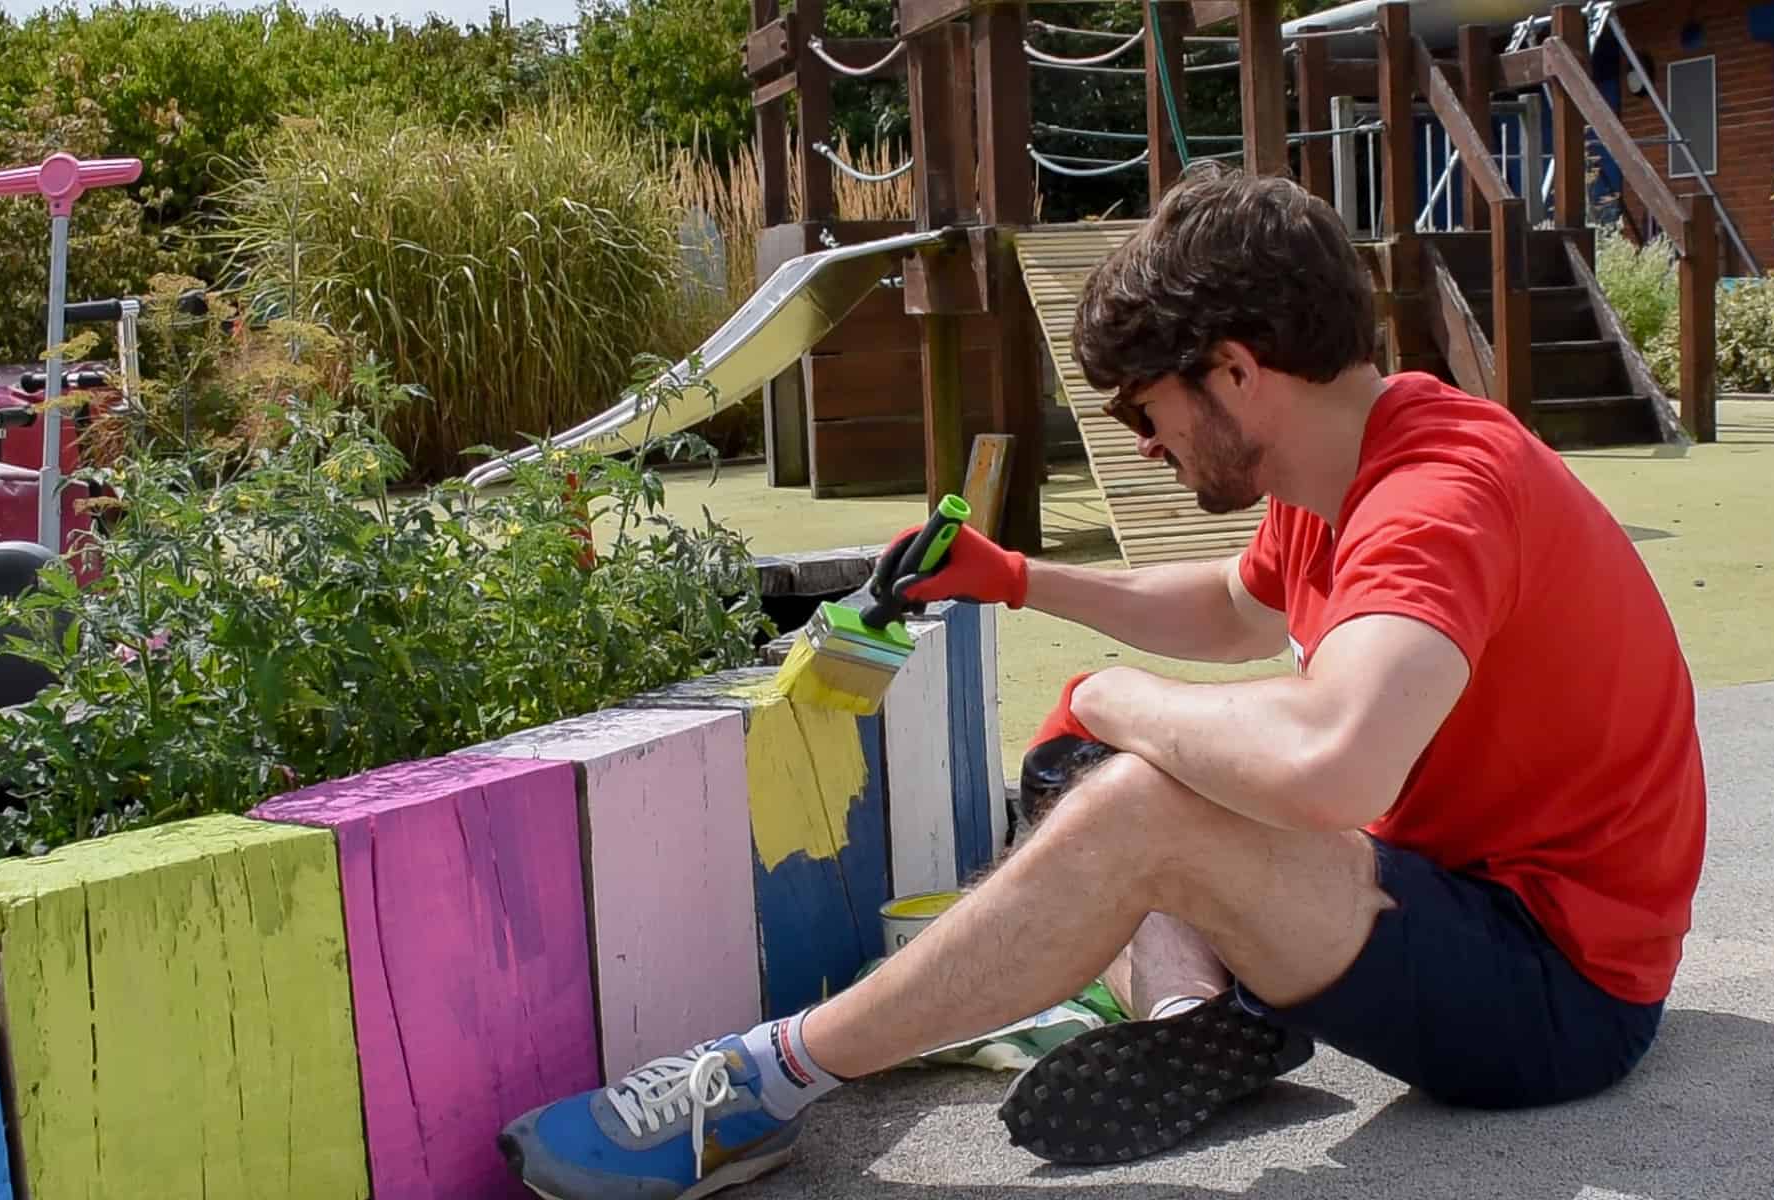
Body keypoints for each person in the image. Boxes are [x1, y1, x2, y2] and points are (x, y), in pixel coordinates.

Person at [497, 161, 1708, 1200]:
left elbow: (1338, 766)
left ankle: (761, 1083)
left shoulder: (1435, 499)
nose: (1142, 444)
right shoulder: (1350, 460)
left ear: (1233, 371)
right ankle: (1199, 1017)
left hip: (1558, 994)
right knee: (1074, 759)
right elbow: (1239, 609)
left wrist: (1122, 701)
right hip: (1447, 897)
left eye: (1146, 408)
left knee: (1127, 789)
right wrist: (1014, 577)